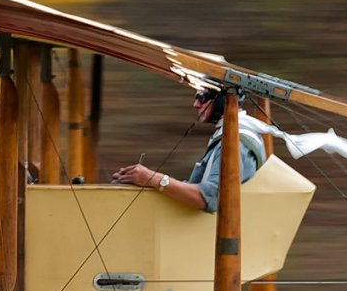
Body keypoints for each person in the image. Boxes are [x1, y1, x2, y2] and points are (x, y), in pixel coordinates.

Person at [111, 86, 263, 212]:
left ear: (221, 100)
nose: (195, 104)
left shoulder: (237, 142)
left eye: (201, 97)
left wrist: (153, 179)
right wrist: (143, 180)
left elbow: (208, 197)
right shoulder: (228, 135)